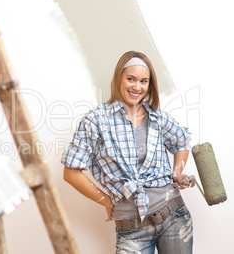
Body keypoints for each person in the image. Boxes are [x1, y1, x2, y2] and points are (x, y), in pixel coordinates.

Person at [61, 51, 195, 254]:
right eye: (131, 79)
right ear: (119, 79)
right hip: (131, 229)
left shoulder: (157, 117)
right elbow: (71, 172)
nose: (137, 87)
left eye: (144, 81)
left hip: (174, 217)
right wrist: (105, 200)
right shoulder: (95, 120)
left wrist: (176, 172)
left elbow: (181, 143)